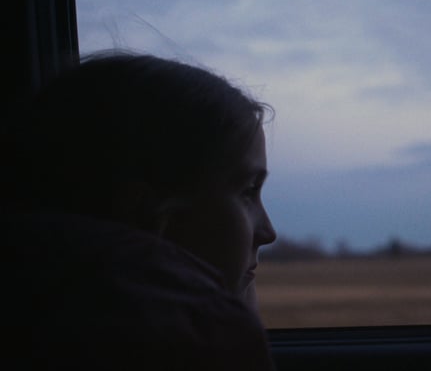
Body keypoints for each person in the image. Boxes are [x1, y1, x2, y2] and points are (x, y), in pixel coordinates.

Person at [1, 52, 277, 370]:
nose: (268, 232)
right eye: (248, 192)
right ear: (146, 210)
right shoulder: (192, 338)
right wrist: (225, 320)